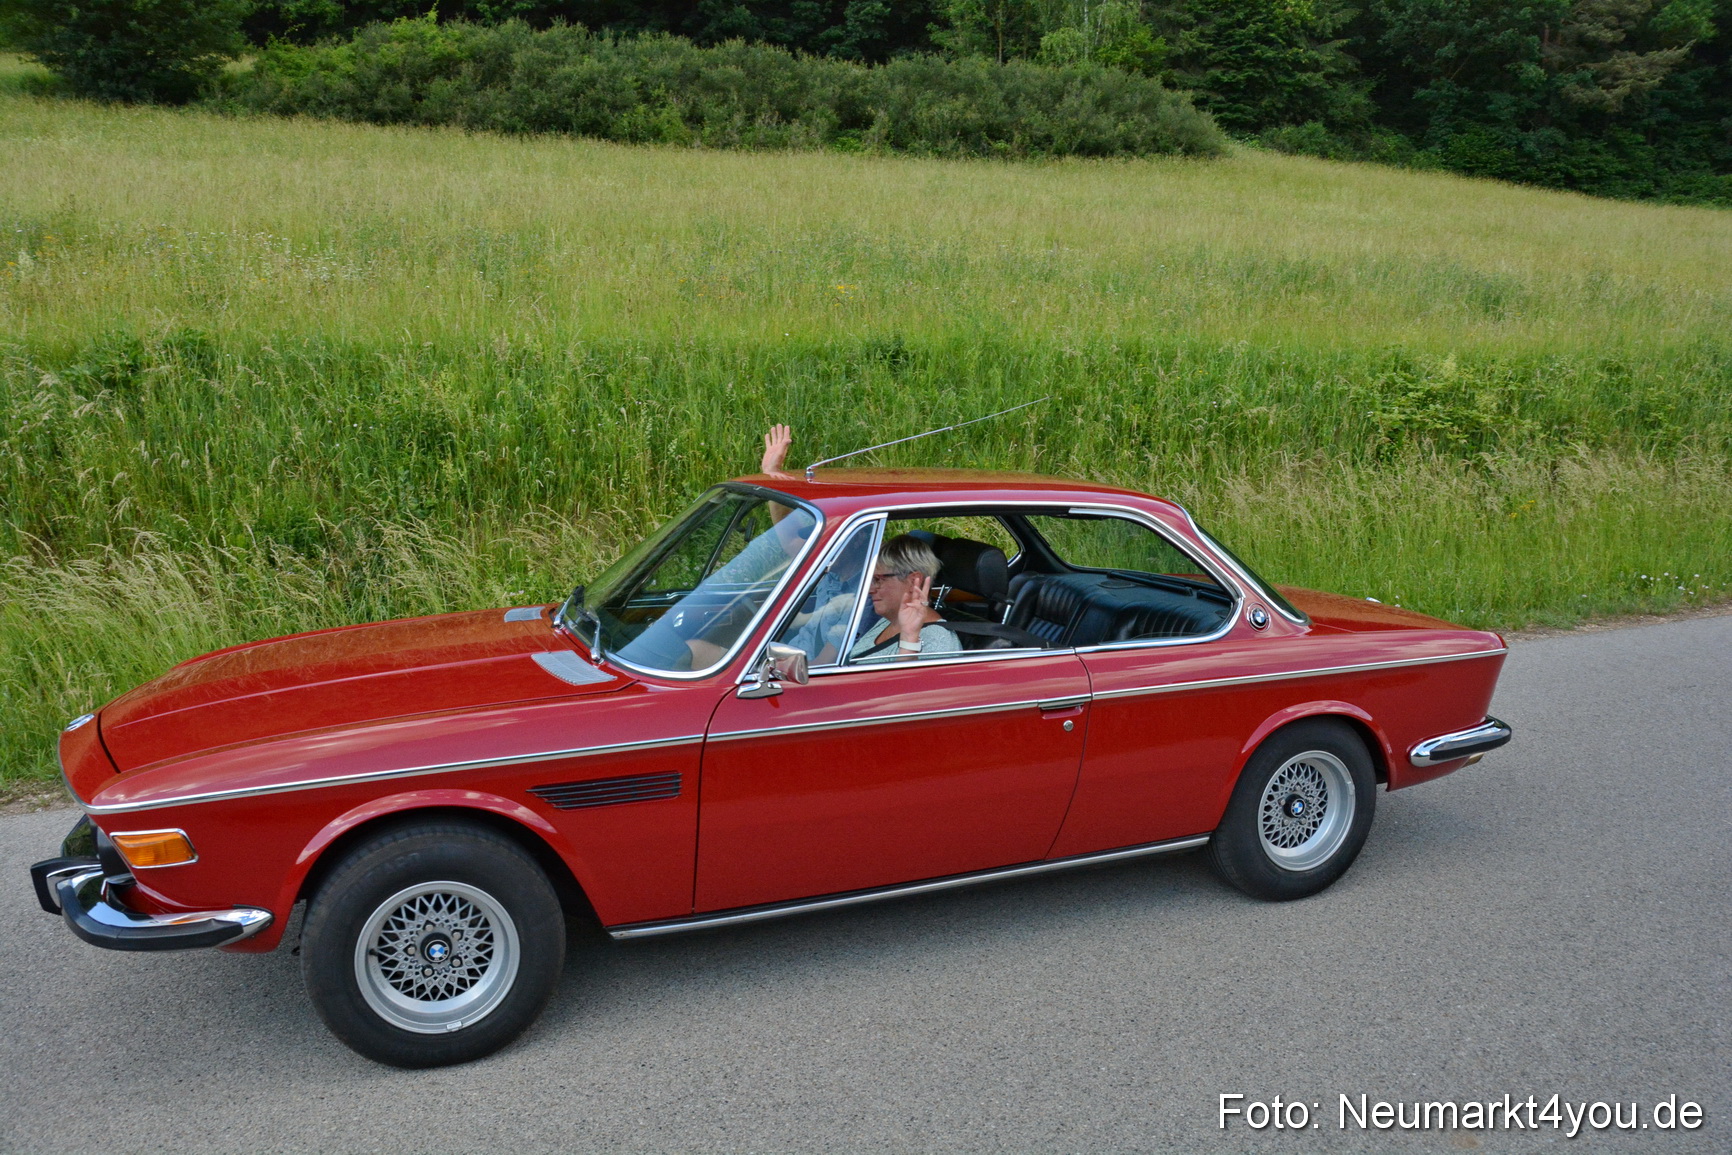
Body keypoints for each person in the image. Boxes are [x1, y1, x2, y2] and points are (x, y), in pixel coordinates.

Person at [848, 534, 962, 662]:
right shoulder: (888, 620)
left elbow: (906, 681)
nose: (870, 590)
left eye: (878, 580)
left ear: (914, 581)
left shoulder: (937, 641)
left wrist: (909, 639)